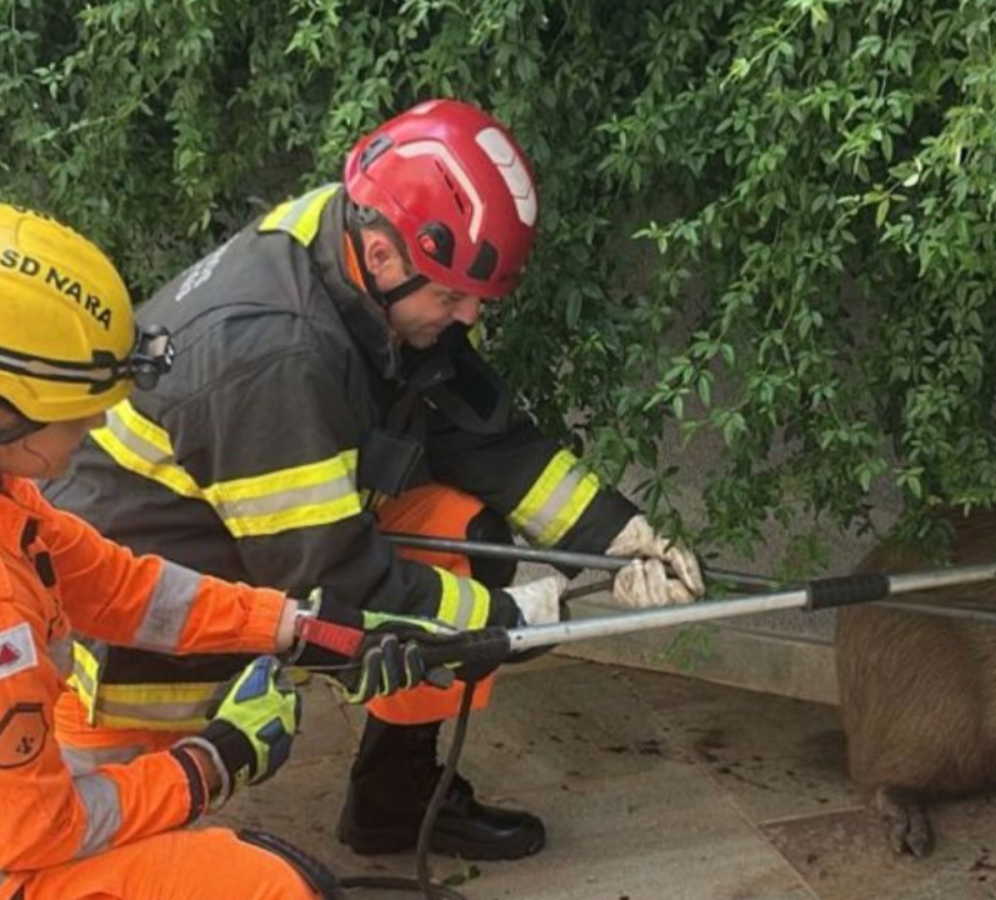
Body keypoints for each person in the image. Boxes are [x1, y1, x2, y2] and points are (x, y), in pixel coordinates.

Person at [46, 98, 706, 863]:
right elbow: (330, 587)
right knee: (107, 857)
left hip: (263, 533)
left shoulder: (348, 239)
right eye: (452, 296)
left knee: (466, 533)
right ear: (387, 253)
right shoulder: (274, 355)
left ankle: (395, 802)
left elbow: (475, 428)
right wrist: (504, 622)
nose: (464, 317)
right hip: (132, 619)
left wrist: (621, 540)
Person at [0, 203, 445, 900]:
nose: (96, 423)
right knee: (270, 890)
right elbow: (39, 831)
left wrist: (301, 630)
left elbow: (126, 591)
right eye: (80, 410)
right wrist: (216, 759)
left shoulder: (11, 504)